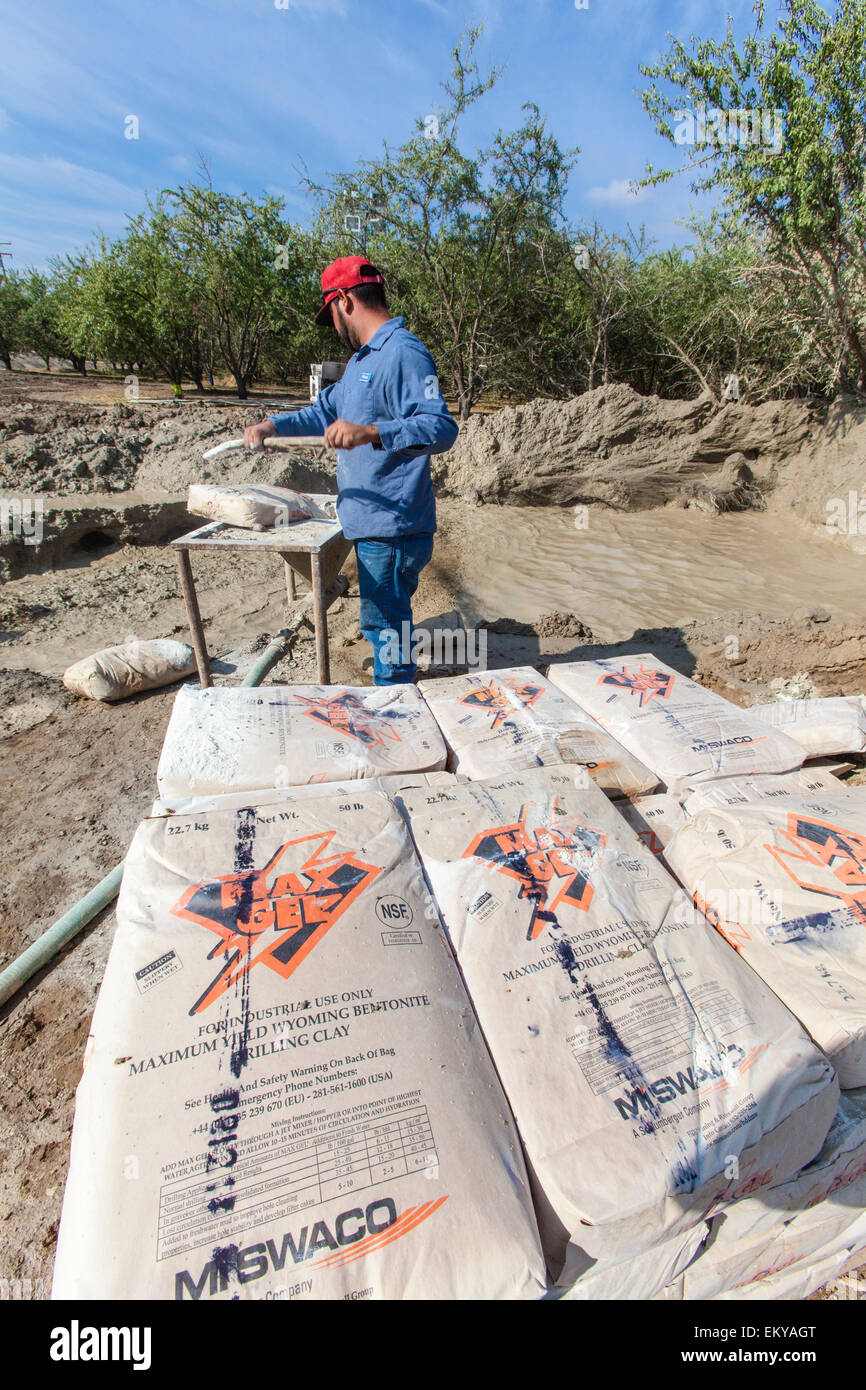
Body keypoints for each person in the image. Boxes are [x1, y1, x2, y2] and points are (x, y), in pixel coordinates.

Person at [243, 256, 458, 684]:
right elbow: (324, 410)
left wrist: (371, 432)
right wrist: (273, 425)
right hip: (373, 526)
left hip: (393, 527)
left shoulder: (404, 352)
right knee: (384, 628)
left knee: (386, 632)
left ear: (343, 301)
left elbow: (441, 427)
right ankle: (396, 699)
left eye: (331, 315)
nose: (334, 326)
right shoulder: (363, 362)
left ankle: (397, 713)